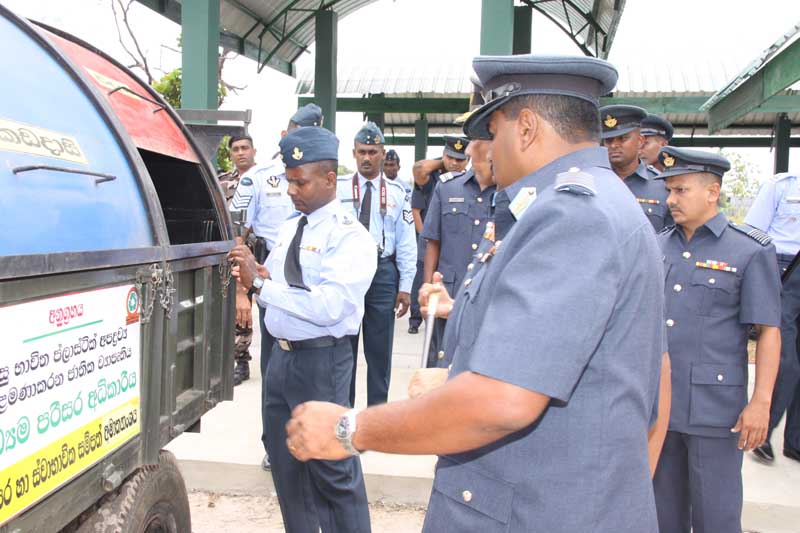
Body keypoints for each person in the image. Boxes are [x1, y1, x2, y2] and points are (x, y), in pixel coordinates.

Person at [285, 54, 666, 532]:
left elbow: (503, 401)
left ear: (525, 128)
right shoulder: (592, 202)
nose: (482, 148)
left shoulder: (572, 215)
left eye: (491, 130)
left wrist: (350, 429)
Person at [229, 126, 374, 533]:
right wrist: (257, 274)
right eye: (289, 181)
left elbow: (329, 306)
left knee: (332, 470)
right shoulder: (293, 227)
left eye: (300, 182)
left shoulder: (349, 236)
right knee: (287, 468)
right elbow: (280, 285)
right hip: (281, 359)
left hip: (322, 362)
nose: (292, 190)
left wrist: (261, 286)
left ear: (329, 179)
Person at [652, 147, 781, 533]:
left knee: (716, 516)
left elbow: (769, 331)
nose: (671, 200)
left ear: (712, 192)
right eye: (669, 191)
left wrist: (761, 403)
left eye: (681, 190)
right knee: (662, 515)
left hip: (715, 410)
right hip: (660, 404)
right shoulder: (657, 245)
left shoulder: (749, 250)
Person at [232, 103, 322, 471]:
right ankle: (274, 444)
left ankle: (312, 442)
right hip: (270, 270)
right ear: (285, 135)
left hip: (313, 273)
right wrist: (242, 291)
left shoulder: (326, 179)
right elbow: (238, 233)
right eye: (299, 135)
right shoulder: (258, 177)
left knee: (314, 365)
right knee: (275, 368)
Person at [337, 122, 416, 406]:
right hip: (346, 272)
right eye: (362, 152)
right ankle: (344, 413)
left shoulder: (397, 192)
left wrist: (405, 286)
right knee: (343, 349)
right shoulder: (338, 189)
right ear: (353, 154)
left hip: (382, 272)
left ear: (383, 154)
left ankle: (377, 414)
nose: (367, 158)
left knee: (379, 352)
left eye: (372, 152)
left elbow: (407, 242)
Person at [420, 137, 494, 366]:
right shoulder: (447, 187)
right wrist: (427, 287)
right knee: (441, 360)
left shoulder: (508, 191)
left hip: (486, 293)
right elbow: (433, 241)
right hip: (448, 290)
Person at [744, 169, 800, 465]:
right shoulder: (782, 186)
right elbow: (753, 231)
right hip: (783, 270)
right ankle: (763, 431)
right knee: (785, 358)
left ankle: (795, 442)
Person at [408, 136, 471, 334]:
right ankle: (417, 321)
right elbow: (418, 169)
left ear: (468, 160)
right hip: (429, 248)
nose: (454, 163)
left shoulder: (471, 185)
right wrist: (443, 163)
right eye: (450, 157)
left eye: (460, 159)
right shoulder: (434, 179)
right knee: (424, 291)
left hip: (454, 256)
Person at [218, 134, 259, 386]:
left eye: (245, 148)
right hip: (229, 252)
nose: (241, 153)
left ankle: (242, 360)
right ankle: (235, 359)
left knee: (247, 307)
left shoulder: (264, 179)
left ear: (254, 151)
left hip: (255, 253)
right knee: (231, 308)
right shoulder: (222, 182)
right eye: (235, 149)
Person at [600, 104, 672, 231]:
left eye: (623, 138)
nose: (614, 145)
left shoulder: (663, 186)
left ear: (640, 141)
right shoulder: (593, 182)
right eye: (608, 140)